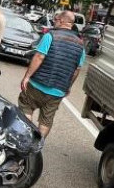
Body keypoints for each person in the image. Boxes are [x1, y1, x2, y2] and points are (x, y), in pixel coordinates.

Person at [18, 11, 86, 139]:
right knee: (46, 120)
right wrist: (68, 87)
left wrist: (27, 77)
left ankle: (24, 138)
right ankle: (37, 145)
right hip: (57, 91)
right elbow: (77, 69)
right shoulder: (80, 44)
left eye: (56, 19)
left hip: (37, 84)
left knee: (26, 106)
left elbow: (39, 56)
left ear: (61, 21)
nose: (54, 21)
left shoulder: (50, 36)